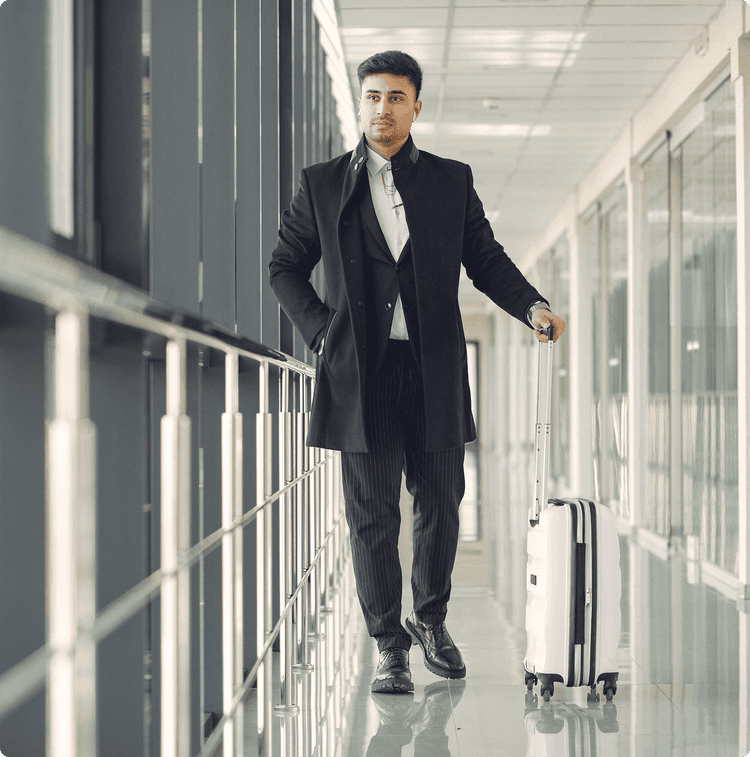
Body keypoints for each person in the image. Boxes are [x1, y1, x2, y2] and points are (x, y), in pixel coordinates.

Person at [269, 50, 566, 694]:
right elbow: (284, 266)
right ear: (360, 103)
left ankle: (430, 618)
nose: (384, 108)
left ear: (416, 106)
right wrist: (323, 331)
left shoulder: (449, 181)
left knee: (442, 502)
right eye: (373, 96)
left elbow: (485, 258)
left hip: (432, 367)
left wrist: (532, 305)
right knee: (371, 511)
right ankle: (388, 646)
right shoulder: (321, 183)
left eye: (397, 97)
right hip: (362, 374)